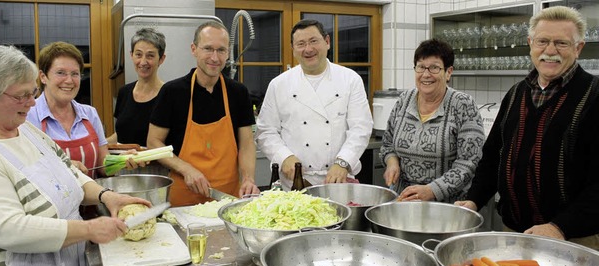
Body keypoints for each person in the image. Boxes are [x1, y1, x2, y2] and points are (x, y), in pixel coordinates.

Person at [0, 45, 150, 266]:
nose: (32, 102)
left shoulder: (24, 129)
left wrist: (106, 196)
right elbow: (9, 229)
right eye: (22, 95)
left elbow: (68, 173)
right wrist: (89, 230)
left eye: (32, 93)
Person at [455, 6, 599, 250]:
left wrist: (559, 226)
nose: (550, 51)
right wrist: (474, 199)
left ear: (578, 48)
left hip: (573, 239)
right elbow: (492, 157)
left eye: (561, 43)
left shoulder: (594, 96)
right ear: (530, 43)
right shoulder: (516, 94)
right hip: (514, 230)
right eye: (542, 41)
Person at [148, 21, 259, 206]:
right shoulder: (172, 92)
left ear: (227, 53)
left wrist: (248, 178)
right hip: (184, 198)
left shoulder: (238, 92)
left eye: (221, 50)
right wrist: (186, 169)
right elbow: (153, 142)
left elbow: (247, 143)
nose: (215, 58)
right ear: (194, 49)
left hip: (227, 198)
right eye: (208, 49)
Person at [254, 19, 373, 190]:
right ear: (293, 49)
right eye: (301, 44)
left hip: (338, 179)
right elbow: (266, 131)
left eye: (313, 41)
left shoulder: (350, 79)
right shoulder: (279, 84)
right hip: (295, 182)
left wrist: (343, 162)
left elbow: (360, 128)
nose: (308, 49)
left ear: (327, 42)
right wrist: (284, 157)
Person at [379, 39, 485, 203]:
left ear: (448, 72)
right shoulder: (404, 100)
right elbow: (387, 145)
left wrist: (432, 190)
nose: (426, 74)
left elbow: (468, 162)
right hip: (404, 202)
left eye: (434, 68)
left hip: (446, 207)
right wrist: (392, 163)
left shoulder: (463, 105)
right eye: (421, 67)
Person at [27, 42, 115, 178]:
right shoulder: (27, 116)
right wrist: (63, 166)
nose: (69, 81)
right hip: (51, 199)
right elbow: (26, 169)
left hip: (95, 198)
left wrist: (122, 162)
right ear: (43, 76)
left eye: (75, 74)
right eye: (61, 73)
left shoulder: (90, 114)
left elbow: (103, 167)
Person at [107, 28, 166, 147]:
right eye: (138, 54)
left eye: (150, 56)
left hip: (155, 164)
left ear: (161, 59)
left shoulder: (168, 95)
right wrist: (97, 144)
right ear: (131, 55)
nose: (143, 62)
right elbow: (122, 133)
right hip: (124, 163)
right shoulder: (124, 92)